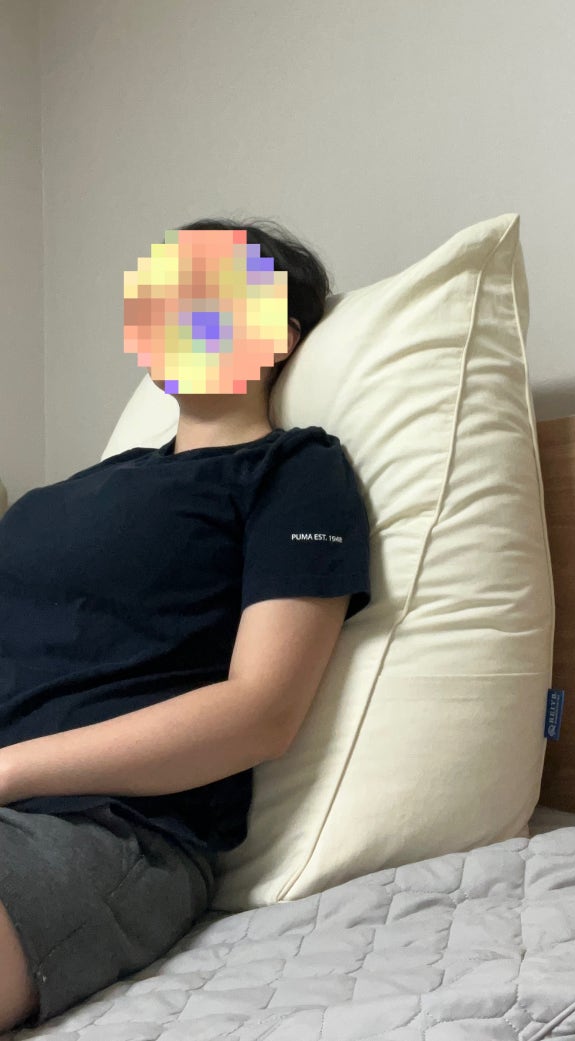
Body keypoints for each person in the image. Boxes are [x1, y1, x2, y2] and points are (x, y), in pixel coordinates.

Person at [0, 218, 371, 1030]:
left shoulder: (292, 470)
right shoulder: (69, 494)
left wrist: (11, 769)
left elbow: (261, 710)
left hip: (104, 824)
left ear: (280, 333)